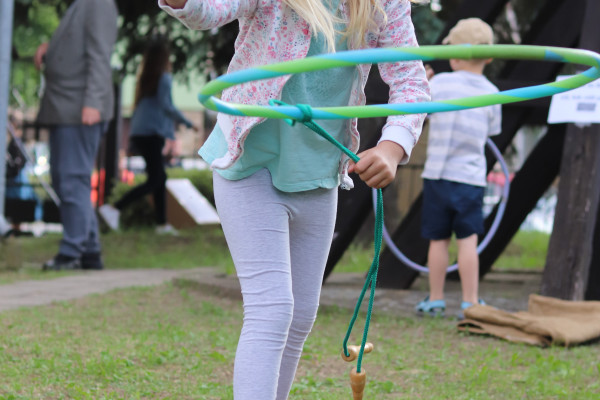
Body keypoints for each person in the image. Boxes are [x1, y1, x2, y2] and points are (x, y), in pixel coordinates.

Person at [161, 0, 429, 398]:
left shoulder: (381, 2)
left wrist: (393, 146)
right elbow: (209, 10)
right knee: (272, 311)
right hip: (250, 163)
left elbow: (410, 79)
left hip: (317, 171)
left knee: (301, 315)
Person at [416, 18, 502, 318]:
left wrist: (424, 83)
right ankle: (470, 302)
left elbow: (420, 110)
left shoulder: (440, 84)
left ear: (453, 54)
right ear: (489, 57)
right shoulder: (493, 93)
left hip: (437, 176)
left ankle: (436, 299)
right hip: (470, 179)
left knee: (438, 240)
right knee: (468, 241)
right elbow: (492, 131)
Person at [34, 0, 118, 271]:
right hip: (67, 108)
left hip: (79, 109)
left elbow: (99, 54)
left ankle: (72, 251)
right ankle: (89, 250)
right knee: (71, 181)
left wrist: (93, 101)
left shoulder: (98, 3)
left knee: (72, 180)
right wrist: (51, 50)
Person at [98, 39, 196, 235]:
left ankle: (162, 224)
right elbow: (167, 106)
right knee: (156, 178)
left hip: (140, 133)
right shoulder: (164, 78)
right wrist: (187, 122)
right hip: (151, 134)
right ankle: (114, 208)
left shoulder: (145, 80)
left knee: (159, 177)